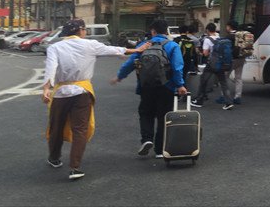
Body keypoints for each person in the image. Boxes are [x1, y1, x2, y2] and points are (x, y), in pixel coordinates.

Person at [42, 19, 150, 181]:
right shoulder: (90, 45)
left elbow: (50, 68)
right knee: (80, 129)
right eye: (84, 29)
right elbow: (113, 50)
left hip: (60, 93)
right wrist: (136, 50)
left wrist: (46, 88)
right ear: (80, 30)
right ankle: (75, 167)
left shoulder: (55, 47)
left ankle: (54, 158)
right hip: (82, 91)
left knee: (56, 127)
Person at [111, 19, 187, 159]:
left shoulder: (144, 45)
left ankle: (146, 139)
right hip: (166, 87)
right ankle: (159, 150)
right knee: (164, 116)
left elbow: (130, 63)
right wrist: (180, 85)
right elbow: (177, 67)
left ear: (153, 31)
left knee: (146, 113)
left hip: (146, 86)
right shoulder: (172, 45)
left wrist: (120, 76)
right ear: (166, 31)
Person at [191, 22, 234, 110]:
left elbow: (205, 53)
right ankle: (228, 102)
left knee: (203, 81)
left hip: (212, 64)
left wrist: (200, 52)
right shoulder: (219, 37)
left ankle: (199, 101)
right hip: (221, 64)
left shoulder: (207, 39)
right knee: (223, 83)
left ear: (207, 30)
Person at [226, 20, 245, 105]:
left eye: (227, 26)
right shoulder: (241, 35)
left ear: (229, 27)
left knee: (225, 77)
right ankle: (238, 97)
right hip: (241, 58)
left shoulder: (229, 36)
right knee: (238, 78)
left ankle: (224, 96)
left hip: (232, 59)